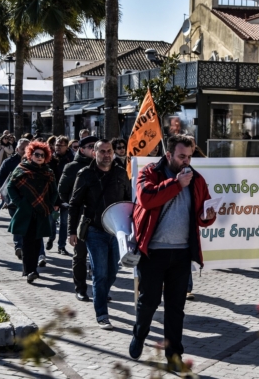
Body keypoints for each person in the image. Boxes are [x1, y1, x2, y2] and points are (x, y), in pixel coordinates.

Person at [129, 134, 216, 367]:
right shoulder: (150, 172)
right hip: (153, 252)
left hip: (182, 253)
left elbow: (202, 213)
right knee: (149, 301)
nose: (186, 161)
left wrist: (208, 217)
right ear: (168, 155)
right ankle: (139, 334)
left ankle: (174, 355)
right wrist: (177, 184)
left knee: (176, 308)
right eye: (181, 156)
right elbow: (147, 199)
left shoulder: (196, 179)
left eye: (189, 156)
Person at [68, 139, 131, 329]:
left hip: (117, 232)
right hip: (95, 231)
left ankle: (101, 292)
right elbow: (75, 203)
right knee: (100, 274)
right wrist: (71, 231)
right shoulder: (85, 174)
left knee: (112, 272)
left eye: (109, 151)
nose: (106, 154)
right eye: (102, 151)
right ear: (94, 153)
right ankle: (102, 314)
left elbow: (128, 201)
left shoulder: (121, 173)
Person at [7, 141, 58, 283]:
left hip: (41, 211)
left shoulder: (48, 172)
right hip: (26, 212)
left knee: (37, 242)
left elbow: (54, 192)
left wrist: (49, 204)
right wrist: (19, 202)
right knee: (28, 242)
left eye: (43, 155)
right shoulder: (21, 169)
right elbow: (11, 187)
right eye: (37, 154)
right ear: (30, 155)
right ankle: (30, 270)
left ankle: (32, 269)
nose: (40, 157)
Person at [58, 136, 98, 302]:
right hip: (81, 218)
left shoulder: (106, 166)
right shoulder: (72, 167)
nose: (94, 150)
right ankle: (81, 289)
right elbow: (62, 190)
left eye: (97, 146)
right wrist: (74, 205)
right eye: (91, 147)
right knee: (80, 255)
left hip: (100, 219)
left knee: (100, 258)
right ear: (82, 149)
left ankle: (100, 290)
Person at [0, 138, 30, 258]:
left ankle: (31, 249)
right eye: (22, 149)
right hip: (13, 200)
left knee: (30, 225)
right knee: (17, 222)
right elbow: (1, 178)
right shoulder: (9, 162)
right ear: (16, 149)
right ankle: (19, 246)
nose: (24, 151)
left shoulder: (35, 161)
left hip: (29, 200)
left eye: (27, 148)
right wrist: (7, 196)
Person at [47, 136, 71, 256]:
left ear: (67, 146)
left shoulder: (71, 159)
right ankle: (51, 237)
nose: (58, 147)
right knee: (52, 220)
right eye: (56, 145)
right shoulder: (50, 159)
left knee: (64, 223)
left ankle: (61, 246)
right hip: (53, 195)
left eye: (61, 145)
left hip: (67, 196)